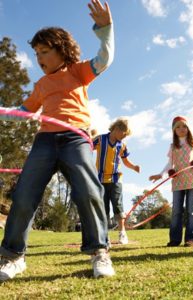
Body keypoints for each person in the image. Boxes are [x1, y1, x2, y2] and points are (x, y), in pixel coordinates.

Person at [0, 0, 115, 280]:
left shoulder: (77, 71)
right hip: (45, 140)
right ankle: (13, 257)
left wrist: (105, 30)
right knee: (24, 195)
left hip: (75, 138)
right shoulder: (41, 85)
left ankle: (99, 251)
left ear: (61, 50)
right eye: (36, 52)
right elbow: (24, 113)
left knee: (87, 191)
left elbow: (104, 59)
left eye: (44, 51)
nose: (39, 57)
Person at [149, 116, 193, 247]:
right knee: (176, 211)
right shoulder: (173, 146)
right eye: (178, 127)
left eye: (184, 126)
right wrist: (161, 174)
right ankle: (175, 239)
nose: (182, 129)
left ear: (188, 128)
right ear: (174, 130)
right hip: (178, 181)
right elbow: (170, 163)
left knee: (192, 210)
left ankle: (192, 239)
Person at [93, 118, 140, 245]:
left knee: (118, 206)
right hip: (100, 179)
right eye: (123, 134)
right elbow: (87, 147)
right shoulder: (100, 139)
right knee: (103, 208)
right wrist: (89, 136)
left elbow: (125, 161)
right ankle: (104, 235)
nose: (124, 138)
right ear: (117, 129)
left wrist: (134, 167)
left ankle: (122, 232)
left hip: (116, 179)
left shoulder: (122, 145)